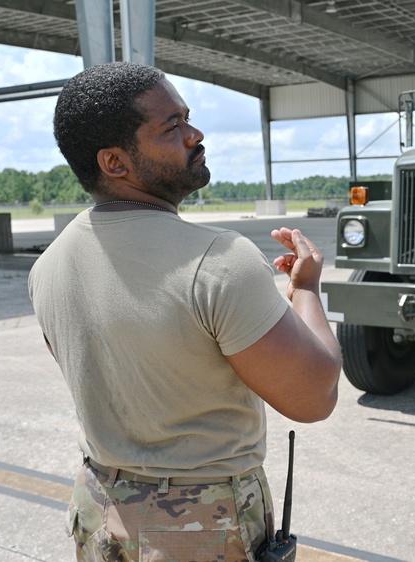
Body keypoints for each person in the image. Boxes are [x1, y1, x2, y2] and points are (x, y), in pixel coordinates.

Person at [28, 61, 343, 562]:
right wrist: (305, 289)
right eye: (171, 127)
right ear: (115, 163)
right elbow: (315, 395)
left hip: (98, 511)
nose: (196, 135)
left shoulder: (49, 265)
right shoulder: (219, 260)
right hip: (199, 525)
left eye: (187, 119)